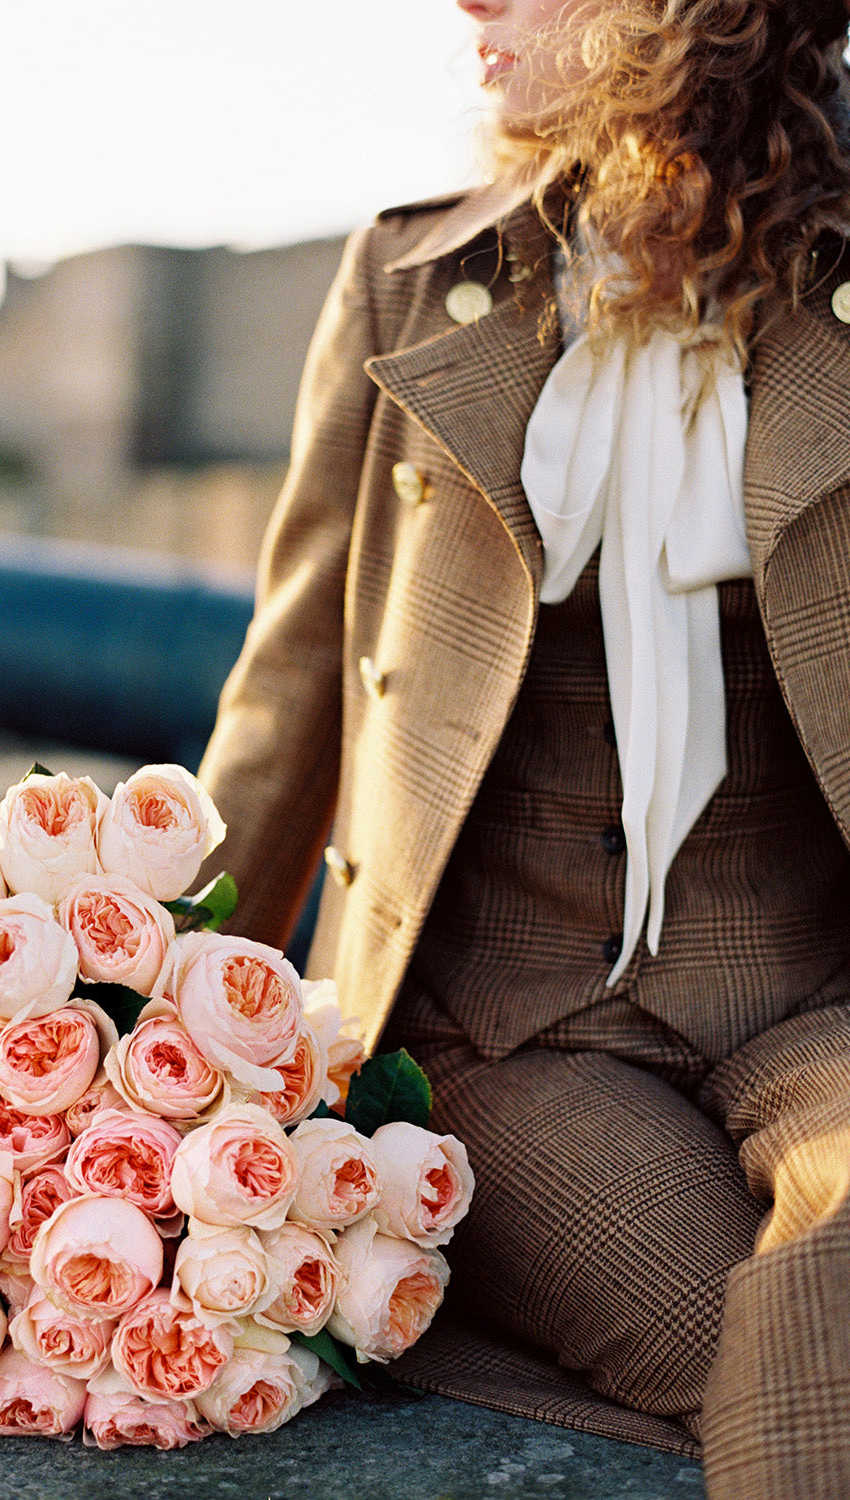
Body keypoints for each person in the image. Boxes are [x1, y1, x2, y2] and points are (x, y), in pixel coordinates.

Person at [198, 2, 850, 1495]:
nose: (471, 4)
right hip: (524, 1030)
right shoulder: (409, 278)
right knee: (751, 1336)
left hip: (818, 1005)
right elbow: (291, 691)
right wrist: (144, 1013)